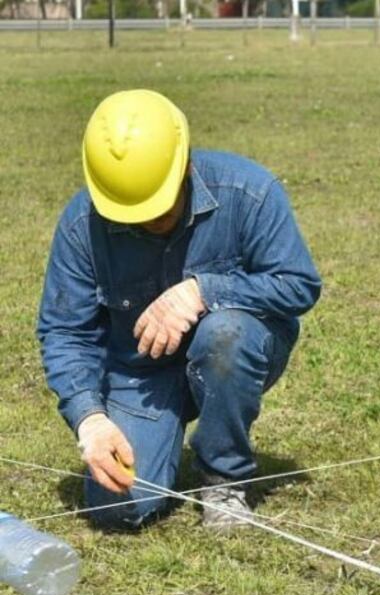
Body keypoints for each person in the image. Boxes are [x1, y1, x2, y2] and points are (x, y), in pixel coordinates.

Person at [37, 90, 322, 531]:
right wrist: (89, 419)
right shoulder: (81, 224)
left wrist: (203, 291)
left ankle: (224, 479)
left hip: (231, 351)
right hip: (142, 375)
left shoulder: (250, 191)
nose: (147, 221)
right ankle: (156, 436)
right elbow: (66, 331)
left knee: (225, 334)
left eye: (158, 206)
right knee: (117, 507)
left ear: (186, 164)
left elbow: (298, 284)